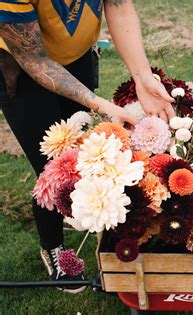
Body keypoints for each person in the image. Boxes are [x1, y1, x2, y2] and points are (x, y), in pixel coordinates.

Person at [0, 0, 176, 293]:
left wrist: (143, 76)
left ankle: (92, 216)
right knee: (53, 167)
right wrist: (100, 105)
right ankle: (53, 247)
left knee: (84, 156)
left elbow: (118, 6)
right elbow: (35, 61)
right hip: (22, 68)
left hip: (76, 57)